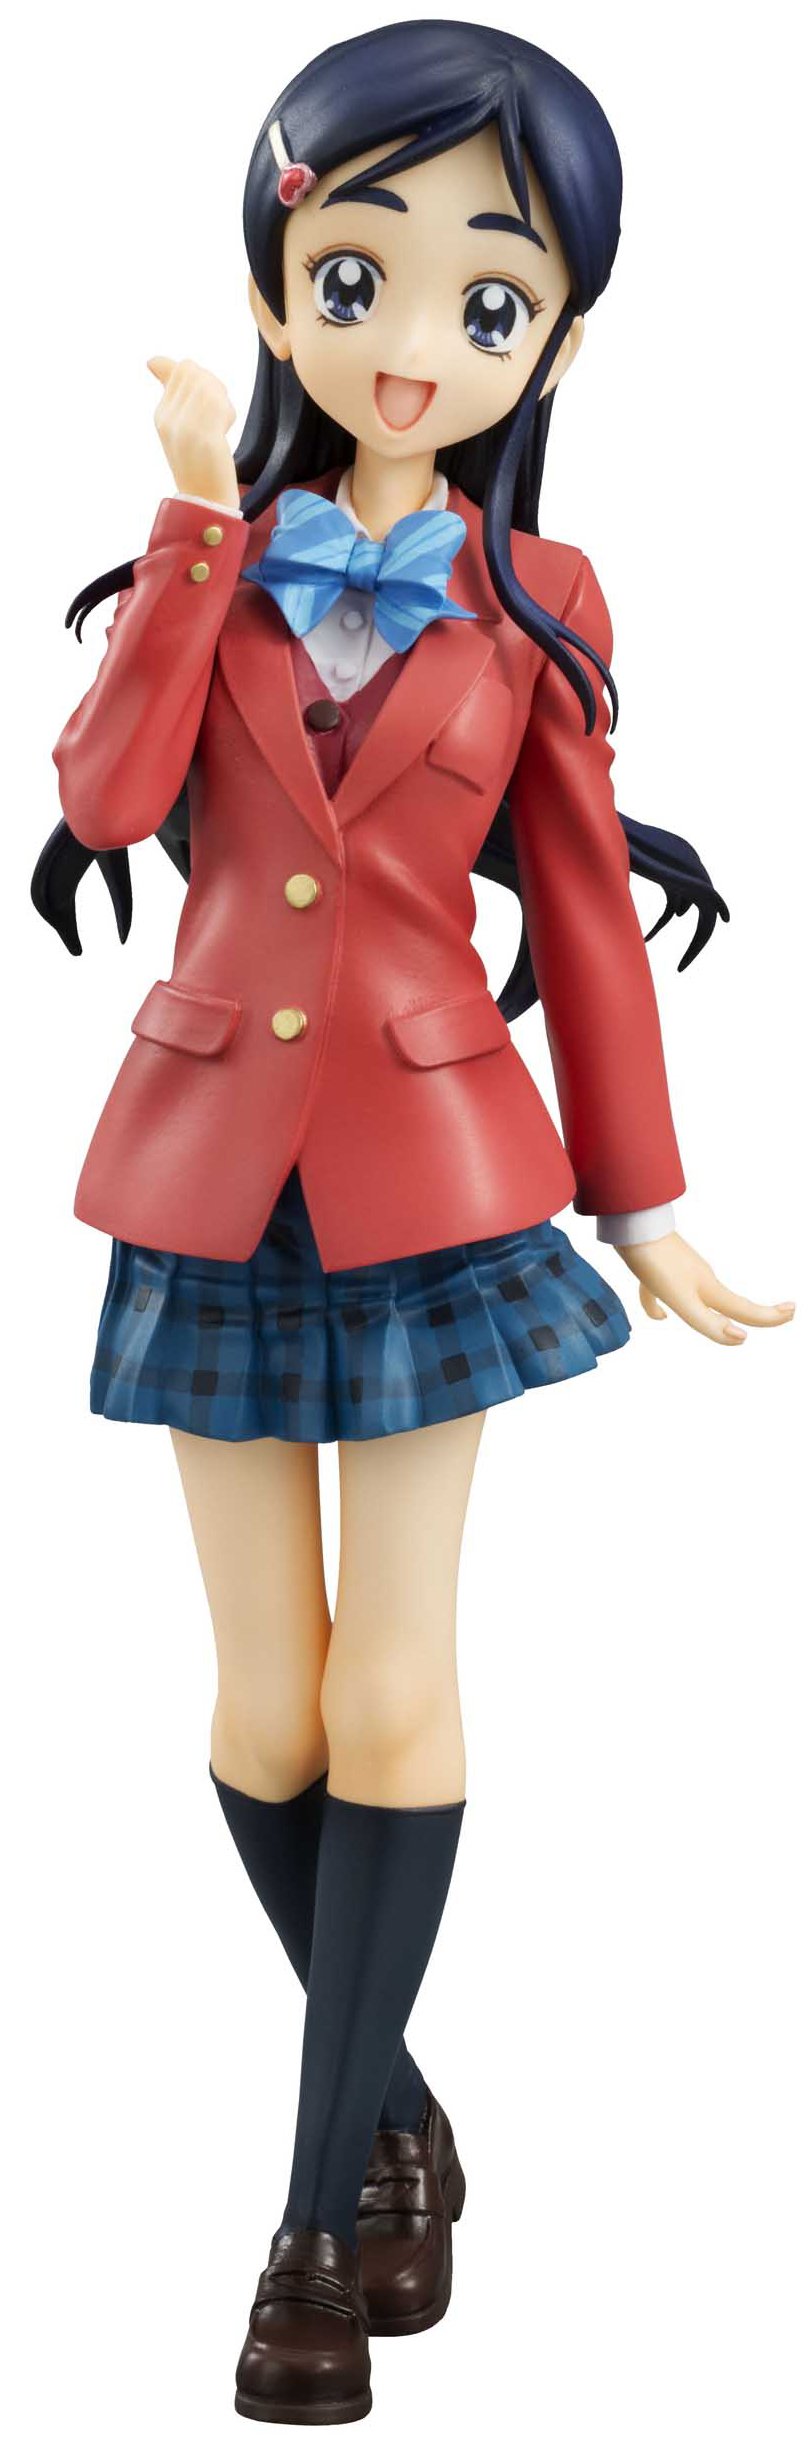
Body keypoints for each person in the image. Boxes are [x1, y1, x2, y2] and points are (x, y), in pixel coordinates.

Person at [37, 21, 794, 2427]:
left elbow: (581, 915)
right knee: (262, 1701)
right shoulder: (206, 564)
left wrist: (648, 1202)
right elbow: (108, 794)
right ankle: (398, 2109)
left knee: (393, 1685)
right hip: (204, 1175)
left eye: (492, 298)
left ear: (551, 345)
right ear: (278, 289)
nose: (414, 339)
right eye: (358, 275)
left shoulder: (535, 592)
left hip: (439, 1185)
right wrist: (190, 523)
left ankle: (304, 2228)